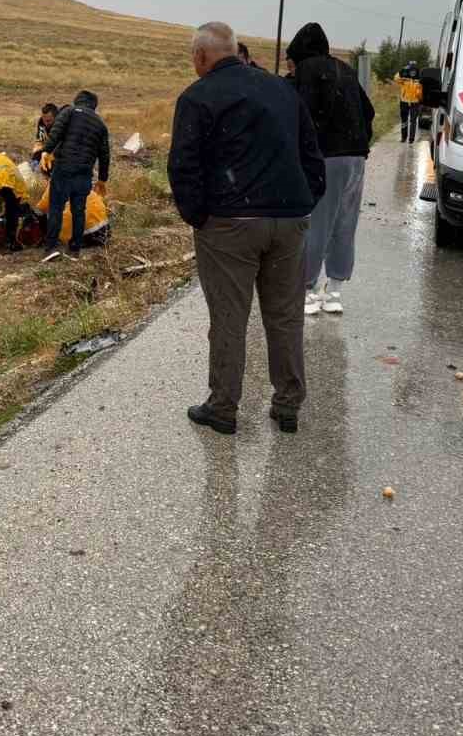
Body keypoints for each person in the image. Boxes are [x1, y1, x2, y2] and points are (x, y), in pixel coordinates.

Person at [168, 22, 324, 435]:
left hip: (230, 224)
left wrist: (199, 216)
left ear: (202, 56)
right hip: (289, 220)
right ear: (236, 51)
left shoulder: (197, 96)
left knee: (229, 318)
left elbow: (184, 167)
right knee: (285, 316)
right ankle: (288, 404)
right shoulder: (281, 90)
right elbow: (311, 151)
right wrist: (303, 200)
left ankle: (223, 407)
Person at [287, 23, 375, 316]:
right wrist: (360, 140)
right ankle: (334, 290)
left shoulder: (307, 71)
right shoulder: (344, 70)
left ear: (299, 53)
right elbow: (369, 110)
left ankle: (307, 290)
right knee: (345, 223)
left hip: (328, 158)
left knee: (317, 223)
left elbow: (301, 114)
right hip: (356, 158)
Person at [41, 90, 111, 261]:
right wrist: (102, 179)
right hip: (84, 174)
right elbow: (104, 155)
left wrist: (46, 151)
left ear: (77, 101)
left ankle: (51, 247)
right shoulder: (101, 125)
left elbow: (56, 132)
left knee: (56, 208)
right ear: (94, 105)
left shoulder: (70, 111)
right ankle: (75, 249)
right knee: (79, 211)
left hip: (64, 168)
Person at [396, 61, 424, 144]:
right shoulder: (404, 77)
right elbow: (396, 79)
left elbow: (422, 89)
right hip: (404, 102)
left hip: (415, 103)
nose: (412, 72)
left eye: (414, 69)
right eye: (410, 69)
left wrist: (420, 96)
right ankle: (403, 137)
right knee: (404, 121)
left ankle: (411, 139)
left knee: (413, 121)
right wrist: (402, 70)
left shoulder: (419, 78)